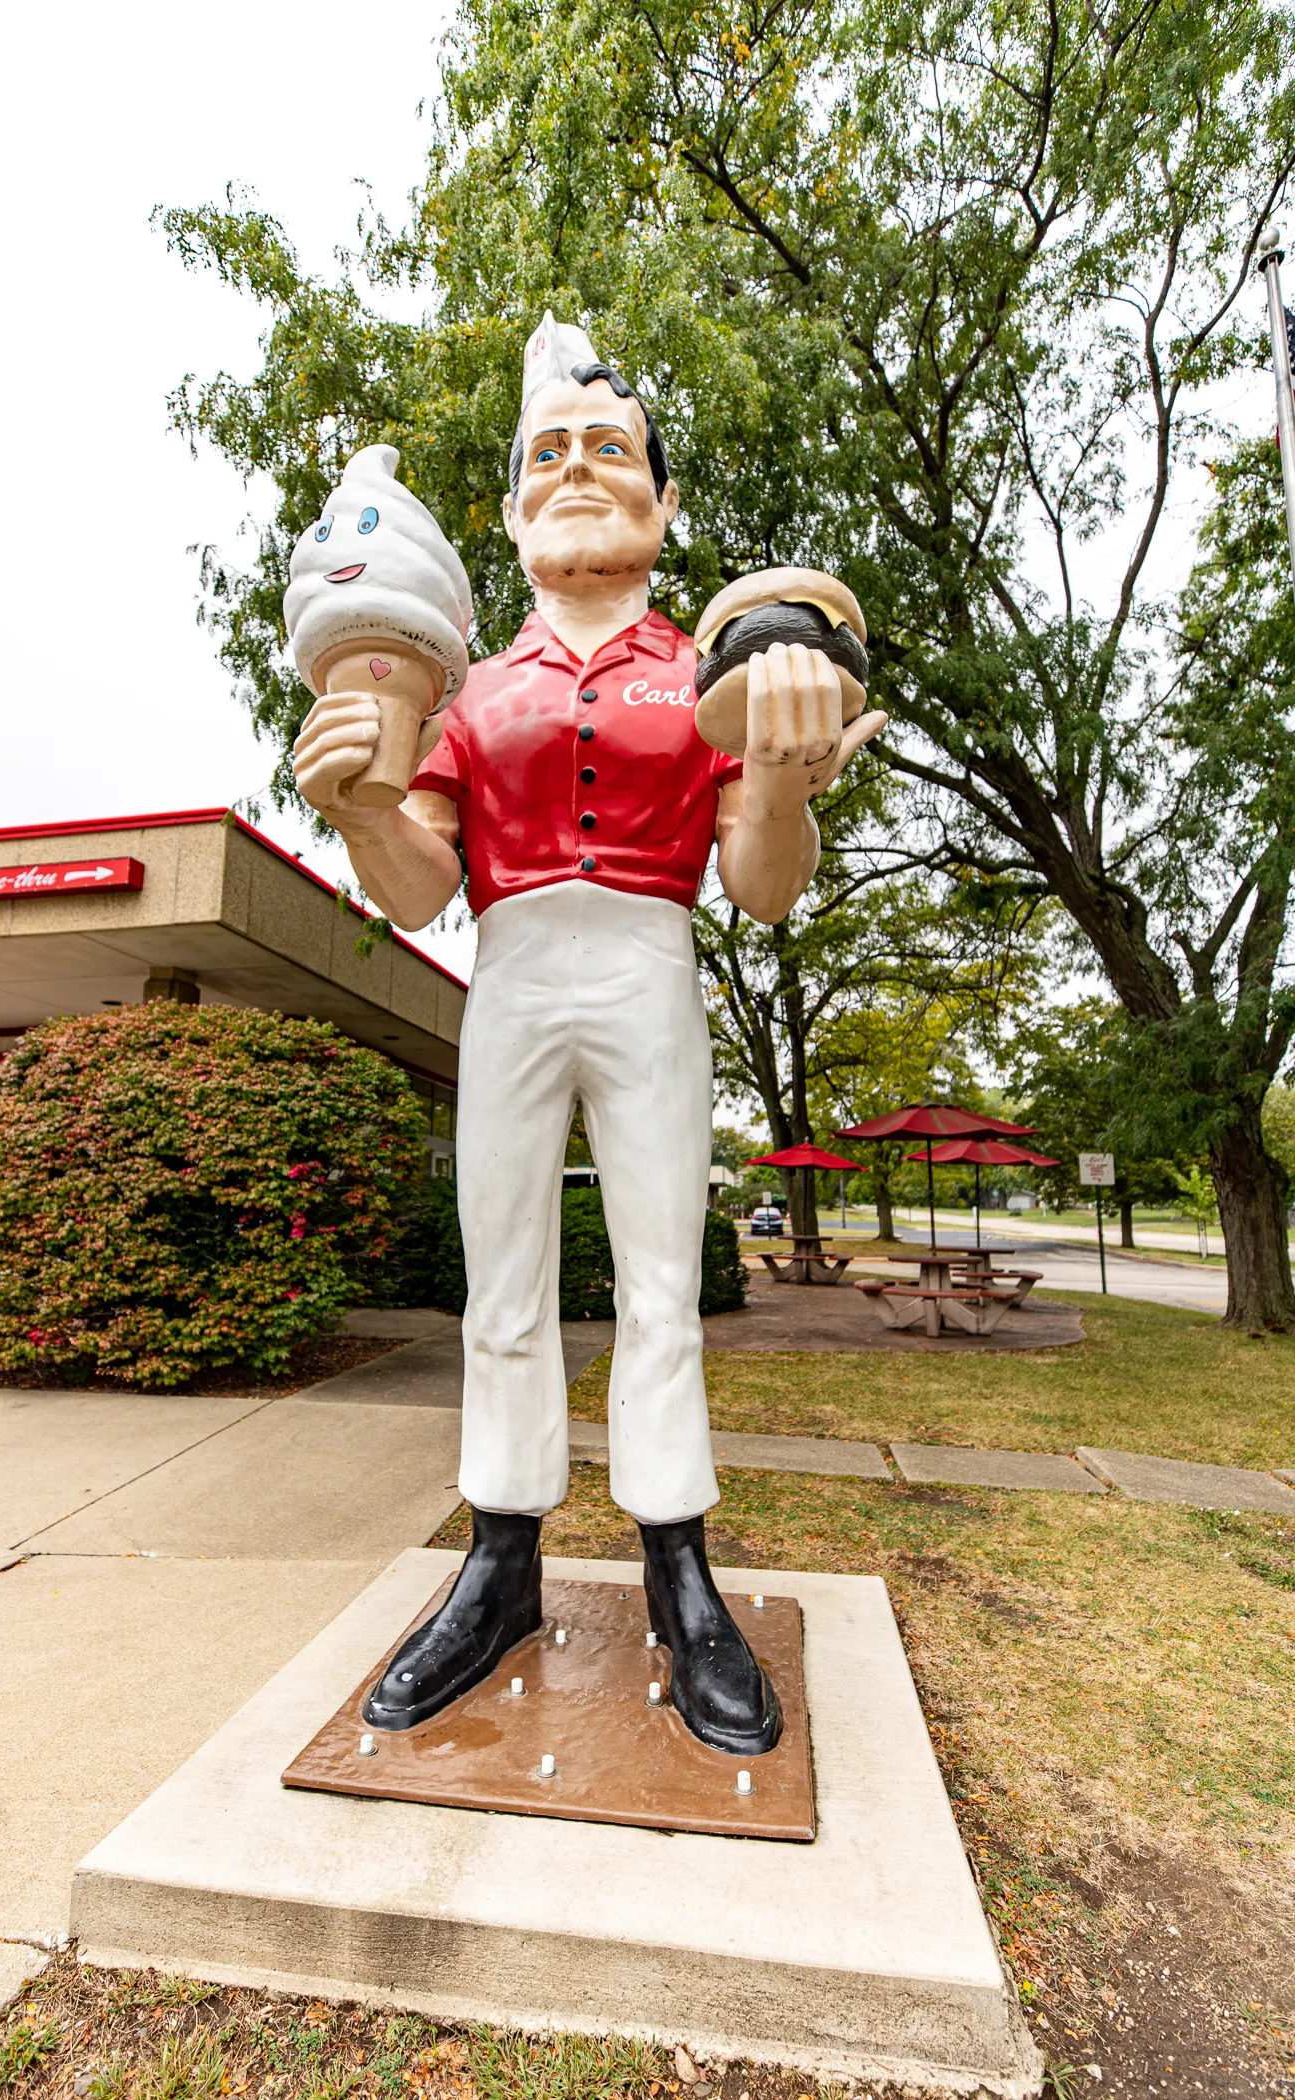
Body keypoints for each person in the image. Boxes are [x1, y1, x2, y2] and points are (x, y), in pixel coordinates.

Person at [291, 315, 884, 1757]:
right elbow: (424, 884)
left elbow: (757, 887)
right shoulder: (467, 691)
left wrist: (790, 782)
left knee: (662, 1275)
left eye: (609, 450)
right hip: (511, 965)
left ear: (664, 504)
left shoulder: (718, 674)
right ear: (505, 509)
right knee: (503, 1269)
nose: (577, 472)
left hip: (644, 962)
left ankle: (680, 1574)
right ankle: (499, 1565)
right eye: (546, 453)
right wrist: (364, 804)